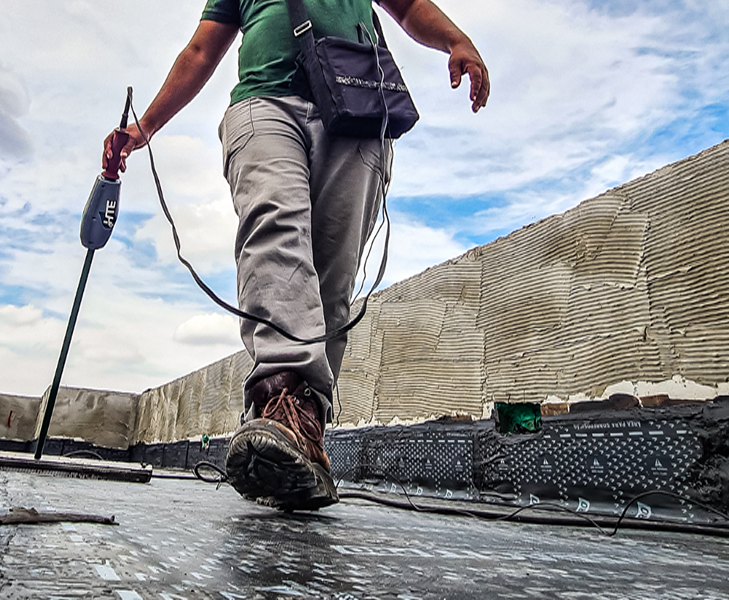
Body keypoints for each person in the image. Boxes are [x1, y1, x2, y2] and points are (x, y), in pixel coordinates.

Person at [103, 0, 489, 511]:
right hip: (263, 106)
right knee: (275, 225)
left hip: (355, 108)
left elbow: (411, 6)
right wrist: (145, 128)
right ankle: (279, 395)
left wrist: (456, 40)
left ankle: (304, 431)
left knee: (333, 276)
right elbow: (200, 50)